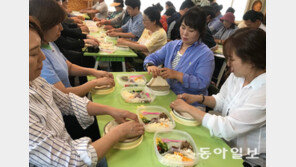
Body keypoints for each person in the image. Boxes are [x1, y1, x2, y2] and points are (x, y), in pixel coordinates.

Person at [29, 16, 144, 166]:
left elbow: (67, 101)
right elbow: (70, 160)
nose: (43, 57)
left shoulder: (35, 81)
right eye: (33, 53)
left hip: (67, 143)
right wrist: (119, 132)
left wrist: (112, 110)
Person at [170, 28, 266, 155]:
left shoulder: (264, 91)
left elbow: (227, 128)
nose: (228, 64)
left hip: (249, 157)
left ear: (251, 60)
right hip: (226, 144)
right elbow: (222, 100)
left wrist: (188, 108)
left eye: (232, 59)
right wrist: (199, 98)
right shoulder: (238, 75)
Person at [144, 7, 215, 109]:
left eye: (191, 30)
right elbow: (153, 57)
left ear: (200, 31)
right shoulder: (172, 45)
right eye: (183, 27)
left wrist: (177, 75)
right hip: (167, 94)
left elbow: (202, 83)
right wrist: (150, 65)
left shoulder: (205, 54)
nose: (185, 33)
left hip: (190, 105)